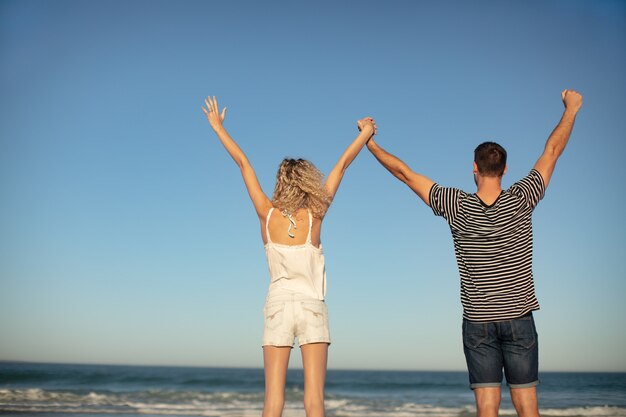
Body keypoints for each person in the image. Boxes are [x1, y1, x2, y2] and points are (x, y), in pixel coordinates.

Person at [365, 90, 583, 417]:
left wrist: (370, 143)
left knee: (486, 409)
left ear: (474, 168)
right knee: (528, 407)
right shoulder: (523, 198)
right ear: (506, 169)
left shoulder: (456, 204)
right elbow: (552, 151)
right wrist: (572, 109)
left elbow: (404, 173)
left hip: (478, 321)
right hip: (518, 316)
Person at [202, 96, 376, 417]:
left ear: (280, 183)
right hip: (311, 307)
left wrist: (217, 127)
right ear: (308, 183)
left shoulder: (266, 214)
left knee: (273, 401)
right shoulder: (316, 214)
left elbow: (243, 163)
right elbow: (341, 166)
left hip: (277, 307)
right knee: (314, 401)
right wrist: (365, 133)